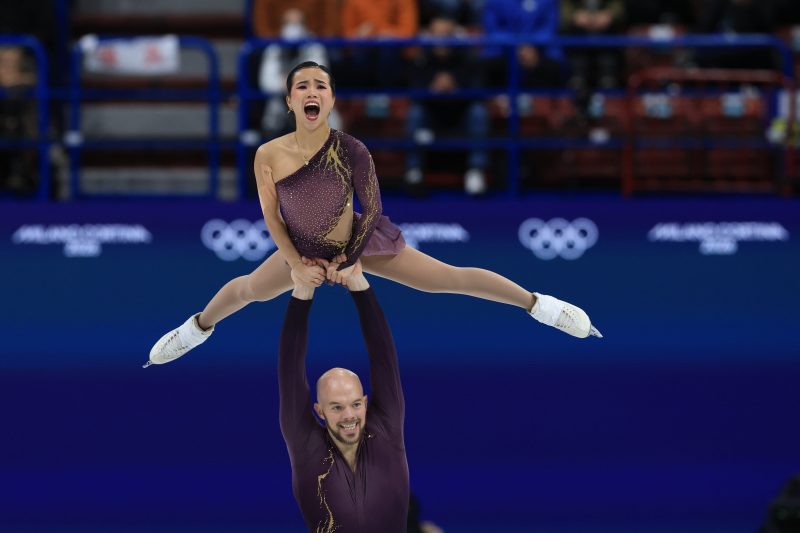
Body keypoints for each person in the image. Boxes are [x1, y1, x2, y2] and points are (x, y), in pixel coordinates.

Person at [144, 61, 601, 367]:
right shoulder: (268, 154)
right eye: (302, 86)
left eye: (320, 86)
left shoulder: (352, 149)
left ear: (331, 100)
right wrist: (297, 264)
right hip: (300, 249)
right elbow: (272, 217)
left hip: (359, 243)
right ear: (288, 101)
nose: (311, 91)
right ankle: (195, 328)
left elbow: (374, 206)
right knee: (249, 289)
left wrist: (350, 259)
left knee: (447, 278)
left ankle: (540, 305)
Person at [279, 261, 409, 532]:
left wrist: (358, 282)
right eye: (337, 407)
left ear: (365, 402)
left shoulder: (386, 428)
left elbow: (384, 356)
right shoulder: (306, 445)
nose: (349, 415)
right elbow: (290, 370)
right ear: (319, 410)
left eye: (356, 404)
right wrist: (302, 291)